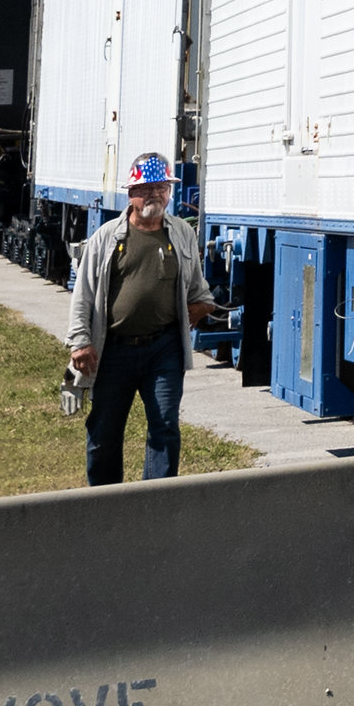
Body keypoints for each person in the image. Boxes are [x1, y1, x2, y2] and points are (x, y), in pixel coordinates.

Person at [62, 153, 226, 486]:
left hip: (163, 350)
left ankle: (157, 500)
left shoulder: (181, 233)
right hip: (114, 350)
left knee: (165, 427)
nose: (155, 195)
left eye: (162, 187)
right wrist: (80, 342)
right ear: (131, 193)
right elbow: (84, 294)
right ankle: (106, 501)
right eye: (147, 188)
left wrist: (201, 306)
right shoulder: (107, 237)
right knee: (104, 431)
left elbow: (198, 287)